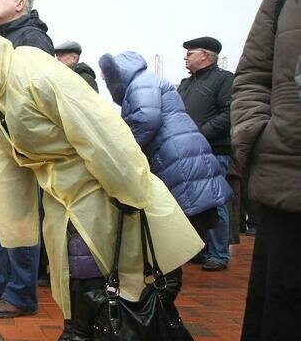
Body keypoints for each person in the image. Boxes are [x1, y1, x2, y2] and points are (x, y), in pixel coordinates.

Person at [0, 18, 204, 341]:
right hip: (59, 191)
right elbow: (3, 167)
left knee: (84, 261)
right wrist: (18, 227)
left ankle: (84, 339)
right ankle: (79, 335)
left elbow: (95, 125)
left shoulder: (35, 75)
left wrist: (127, 184)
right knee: (66, 265)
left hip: (92, 182)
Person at [232, 0, 301, 341]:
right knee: (291, 325)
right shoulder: (282, 0)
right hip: (290, 177)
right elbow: (253, 76)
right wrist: (260, 134)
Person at [0, 0, 49, 318]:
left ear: (20, 4)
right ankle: (5, 279)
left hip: (14, 147)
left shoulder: (32, 39)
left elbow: (36, 93)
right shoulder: (1, 39)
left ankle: (21, 294)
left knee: (18, 221)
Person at [98, 51, 232, 236]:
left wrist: (126, 150)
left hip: (175, 155)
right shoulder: (145, 81)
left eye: (107, 79)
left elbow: (147, 119)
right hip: (179, 152)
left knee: (179, 226)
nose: (106, 84)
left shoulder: (140, 84)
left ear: (117, 74)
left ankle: (185, 262)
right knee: (193, 216)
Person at [177, 36, 234, 271]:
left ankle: (219, 254)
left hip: (213, 150)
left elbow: (230, 112)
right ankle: (200, 250)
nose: (185, 58)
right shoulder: (186, 83)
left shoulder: (224, 80)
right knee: (194, 202)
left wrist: (200, 133)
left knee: (214, 200)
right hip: (189, 153)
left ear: (204, 55)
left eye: (189, 53)